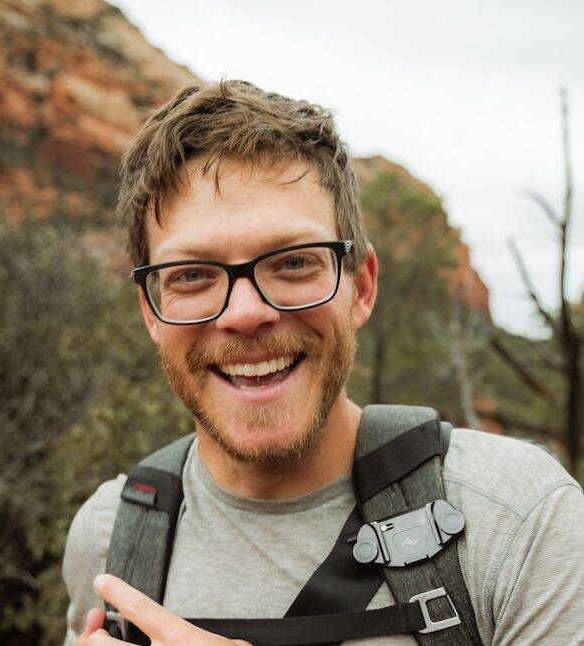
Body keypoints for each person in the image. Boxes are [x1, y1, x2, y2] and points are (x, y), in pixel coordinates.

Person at [62, 80, 584, 646]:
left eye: (292, 264)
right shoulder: (112, 534)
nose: (245, 313)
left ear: (360, 287)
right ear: (151, 311)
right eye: (192, 275)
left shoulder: (518, 521)